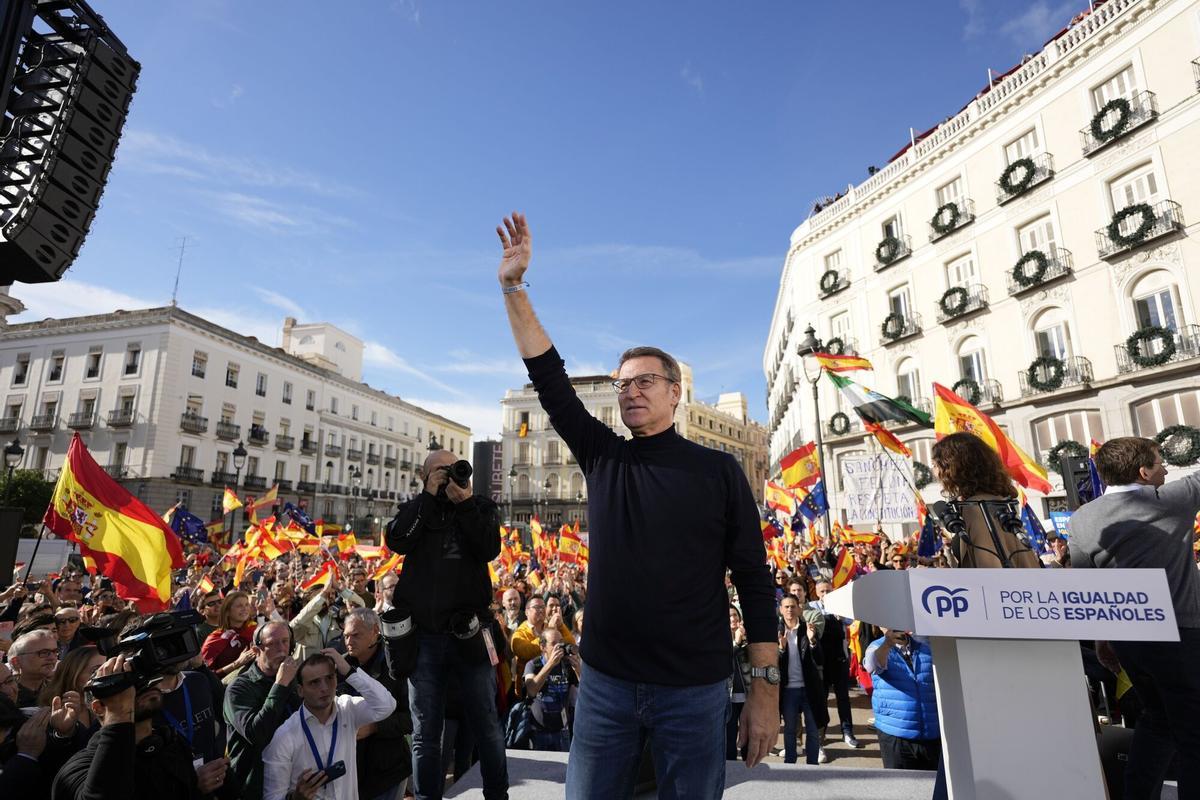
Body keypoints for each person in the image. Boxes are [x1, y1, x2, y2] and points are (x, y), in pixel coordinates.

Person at [497, 212, 777, 798]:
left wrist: (764, 693)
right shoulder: (605, 457)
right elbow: (548, 377)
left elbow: (753, 581)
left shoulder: (719, 471)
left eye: (645, 381)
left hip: (695, 690)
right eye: (623, 384)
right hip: (605, 687)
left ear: (676, 393)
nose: (630, 391)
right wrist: (513, 288)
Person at [1069, 436, 1200, 799]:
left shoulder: (1081, 519)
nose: (1166, 469)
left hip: (1129, 640)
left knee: (1158, 721)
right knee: (1194, 734)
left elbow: (1087, 586)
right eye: (1160, 463)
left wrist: (1101, 638)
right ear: (1144, 472)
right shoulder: (1170, 500)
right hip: (1180, 634)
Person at [385, 448, 507, 800]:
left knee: (486, 724)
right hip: (424, 638)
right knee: (425, 733)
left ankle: (498, 795)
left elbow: (488, 548)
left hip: (470, 633)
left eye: (453, 469)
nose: (449, 476)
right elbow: (397, 540)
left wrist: (464, 504)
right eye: (440, 471)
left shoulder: (480, 507)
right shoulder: (416, 510)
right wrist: (427, 498)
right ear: (424, 477)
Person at [53, 653, 226, 800]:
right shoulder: (78, 768)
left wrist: (194, 787)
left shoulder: (170, 744)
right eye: (125, 683)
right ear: (98, 708)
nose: (140, 686)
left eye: (142, 679)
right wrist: (119, 712)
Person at [261, 649, 397, 800]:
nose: (324, 688)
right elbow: (272, 796)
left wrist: (348, 671)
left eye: (329, 678)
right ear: (300, 691)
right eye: (314, 682)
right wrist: (296, 798)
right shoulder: (285, 736)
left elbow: (386, 705)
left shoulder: (347, 708)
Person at [929, 432, 1041, 569]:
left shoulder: (976, 507)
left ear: (952, 467)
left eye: (935, 465)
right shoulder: (996, 501)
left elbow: (988, 564)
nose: (934, 472)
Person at [338, 607, 412, 800]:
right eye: (346, 636)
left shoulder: (395, 667)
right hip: (350, 770)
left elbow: (412, 718)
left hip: (388, 770)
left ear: (375, 632)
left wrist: (375, 728)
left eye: (356, 635)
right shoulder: (339, 666)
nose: (349, 641)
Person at [223, 620, 302, 800]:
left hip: (291, 780)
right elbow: (257, 734)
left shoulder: (295, 677)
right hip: (254, 787)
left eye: (285, 641)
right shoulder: (238, 688)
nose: (281, 650)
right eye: (272, 644)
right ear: (256, 650)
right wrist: (280, 685)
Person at [864, 628, 940, 771]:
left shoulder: (926, 647)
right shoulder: (876, 647)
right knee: (900, 787)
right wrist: (887, 644)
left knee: (932, 788)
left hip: (931, 734)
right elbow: (871, 665)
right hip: (895, 735)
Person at [810, 579, 860, 751]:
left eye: (828, 591)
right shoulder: (811, 607)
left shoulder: (840, 606)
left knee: (843, 698)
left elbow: (852, 621)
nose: (825, 594)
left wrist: (841, 614)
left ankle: (847, 731)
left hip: (839, 659)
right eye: (822, 591)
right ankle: (820, 735)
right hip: (820, 662)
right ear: (817, 593)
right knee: (821, 698)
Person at [777, 594, 823, 765]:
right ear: (781, 610)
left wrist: (812, 641)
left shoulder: (808, 629)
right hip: (789, 690)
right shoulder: (777, 632)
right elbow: (773, 664)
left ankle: (812, 765)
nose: (789, 610)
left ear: (799, 608)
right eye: (786, 607)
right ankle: (790, 763)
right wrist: (781, 650)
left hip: (809, 689)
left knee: (812, 730)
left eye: (792, 606)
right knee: (789, 730)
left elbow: (820, 660)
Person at [522, 627, 581, 752]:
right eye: (554, 643)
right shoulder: (534, 664)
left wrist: (578, 669)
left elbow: (585, 690)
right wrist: (550, 665)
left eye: (561, 642)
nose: (559, 647)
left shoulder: (566, 664)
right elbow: (532, 690)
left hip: (562, 731)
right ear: (543, 647)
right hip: (538, 731)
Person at [510, 595, 575, 682]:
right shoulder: (519, 633)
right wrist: (548, 631)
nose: (541, 610)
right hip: (529, 685)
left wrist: (561, 625)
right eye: (536, 607)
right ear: (526, 612)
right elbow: (526, 652)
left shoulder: (551, 627)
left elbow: (571, 643)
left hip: (554, 682)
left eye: (543, 607)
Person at [202, 591, 259, 678]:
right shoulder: (215, 638)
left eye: (247, 605)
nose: (245, 609)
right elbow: (206, 676)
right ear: (227, 611)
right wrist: (237, 663)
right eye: (239, 606)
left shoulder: (255, 629)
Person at [8, 629, 59, 706]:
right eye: (44, 653)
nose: (52, 657)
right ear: (16, 662)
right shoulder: (6, 693)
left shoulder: (59, 690)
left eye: (55, 652)